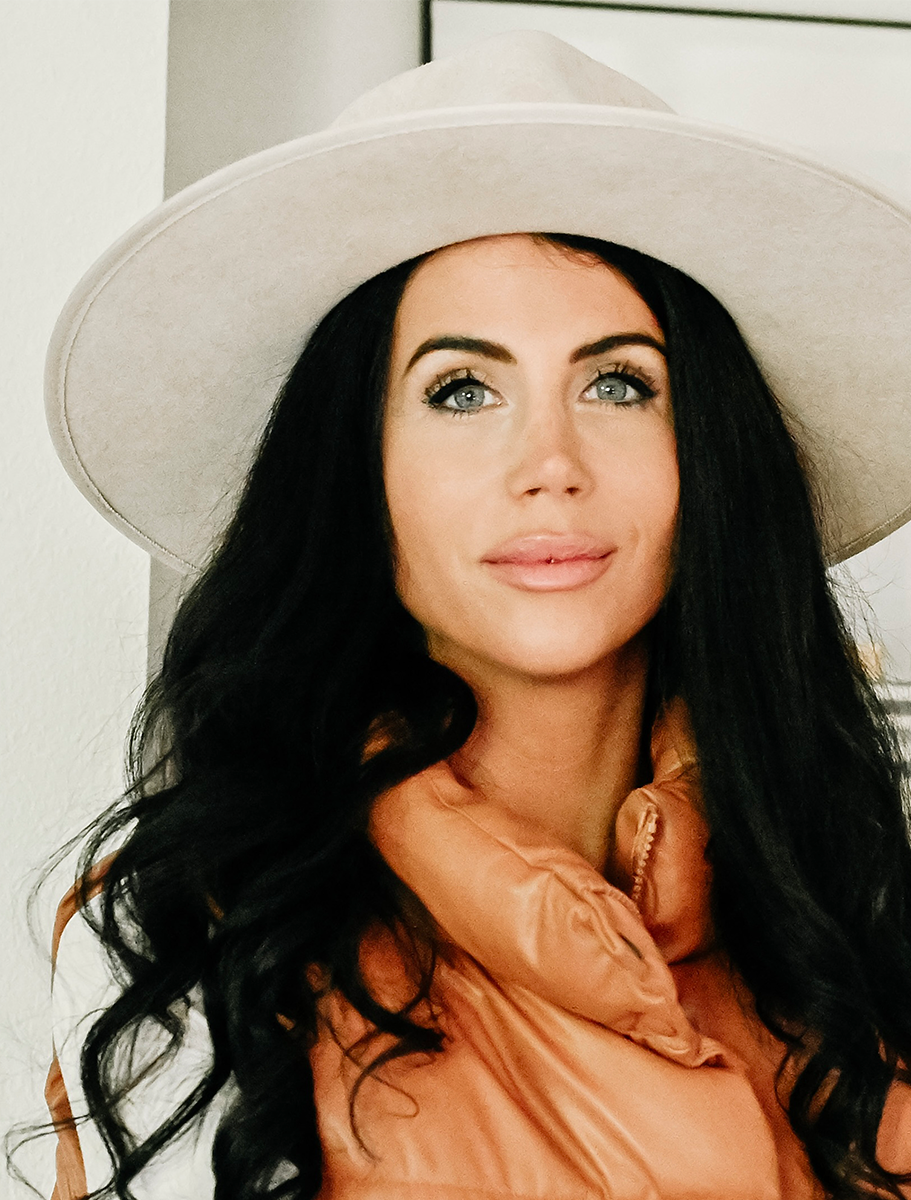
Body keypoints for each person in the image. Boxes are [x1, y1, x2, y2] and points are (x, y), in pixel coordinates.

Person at [41, 29, 911, 1200]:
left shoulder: (850, 879)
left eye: (617, 382)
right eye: (460, 389)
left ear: (707, 456)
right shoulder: (206, 915)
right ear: (360, 474)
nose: (546, 462)